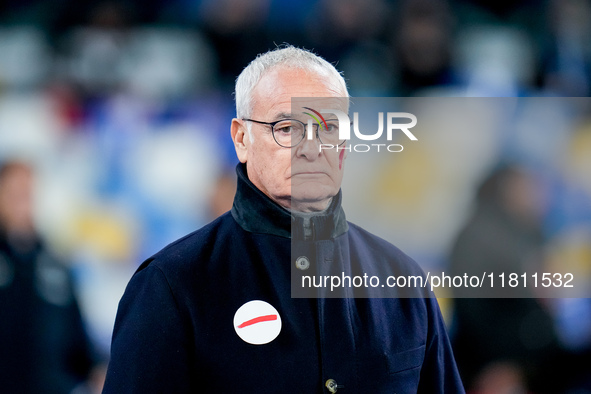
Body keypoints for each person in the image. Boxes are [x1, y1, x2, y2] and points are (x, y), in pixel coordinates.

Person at [103, 46, 464, 393]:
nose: (310, 147)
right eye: (287, 128)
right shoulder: (173, 284)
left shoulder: (403, 281)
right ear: (241, 138)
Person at [0, 161, 100, 394]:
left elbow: (79, 343)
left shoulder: (56, 265)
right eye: (14, 194)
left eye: (27, 195)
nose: (22, 204)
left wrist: (97, 369)